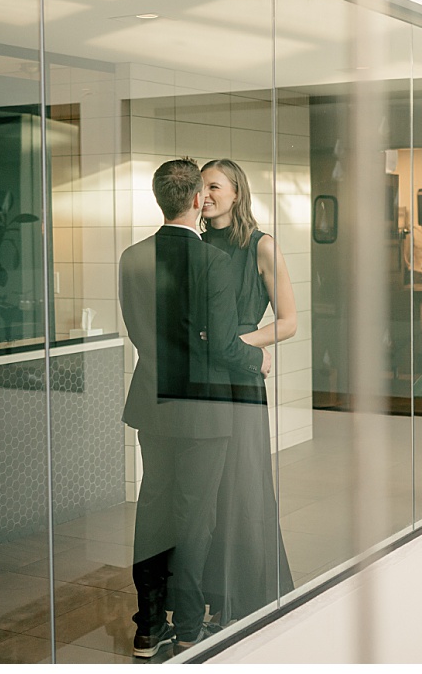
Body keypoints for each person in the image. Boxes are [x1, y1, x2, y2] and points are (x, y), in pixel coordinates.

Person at [119, 158, 271, 659]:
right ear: (193, 201)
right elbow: (225, 346)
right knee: (194, 518)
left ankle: (147, 627)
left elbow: (141, 333)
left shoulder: (132, 257)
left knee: (153, 509)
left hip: (152, 402)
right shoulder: (214, 262)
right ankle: (187, 627)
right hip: (204, 410)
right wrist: (259, 357)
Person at [198, 159, 296, 626]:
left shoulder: (262, 246)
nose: (206, 194)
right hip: (200, 380)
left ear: (237, 194)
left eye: (214, 186)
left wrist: (241, 345)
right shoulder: (195, 246)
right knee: (209, 491)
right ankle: (213, 598)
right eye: (201, 187)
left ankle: (248, 598)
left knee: (243, 488)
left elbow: (289, 322)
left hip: (238, 380)